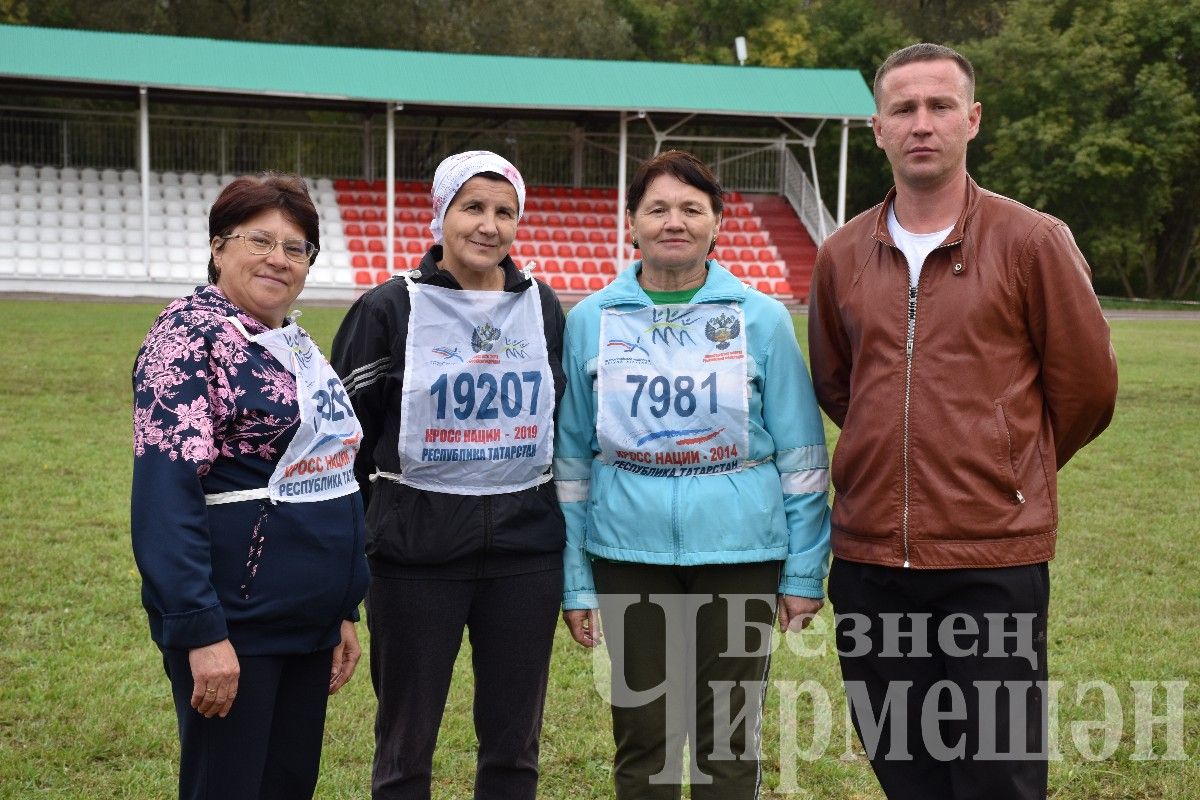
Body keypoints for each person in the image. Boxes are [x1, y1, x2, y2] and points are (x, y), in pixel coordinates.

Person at [807, 43, 1119, 800]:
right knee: (905, 770)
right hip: (871, 562)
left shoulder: (1031, 242)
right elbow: (839, 384)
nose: (922, 123)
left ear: (971, 120)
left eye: (940, 106)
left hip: (992, 564)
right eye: (904, 108)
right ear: (876, 126)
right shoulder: (843, 254)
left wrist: (1004, 469)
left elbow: (1086, 390)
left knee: (997, 777)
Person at [557, 149, 831, 799]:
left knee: (729, 741)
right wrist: (575, 581)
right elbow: (569, 463)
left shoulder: (761, 319)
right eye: (657, 209)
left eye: (691, 209)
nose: (673, 222)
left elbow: (803, 458)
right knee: (643, 738)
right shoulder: (590, 322)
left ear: (717, 224)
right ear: (630, 223)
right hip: (626, 553)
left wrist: (801, 573)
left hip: (743, 553)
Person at [331, 151, 566, 800]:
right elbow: (339, 453)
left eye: (504, 211)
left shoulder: (542, 307)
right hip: (414, 561)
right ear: (441, 215)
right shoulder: (387, 310)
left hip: (526, 558)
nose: (488, 225)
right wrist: (343, 585)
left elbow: (565, 427)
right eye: (473, 208)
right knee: (405, 752)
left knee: (514, 751)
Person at [131, 173, 369, 800]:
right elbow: (165, 494)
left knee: (287, 785)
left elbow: (331, 474)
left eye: (296, 248)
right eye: (260, 240)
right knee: (229, 787)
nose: (279, 259)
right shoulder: (185, 338)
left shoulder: (291, 343)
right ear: (218, 246)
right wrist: (201, 630)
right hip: (236, 622)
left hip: (306, 617)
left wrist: (342, 605)